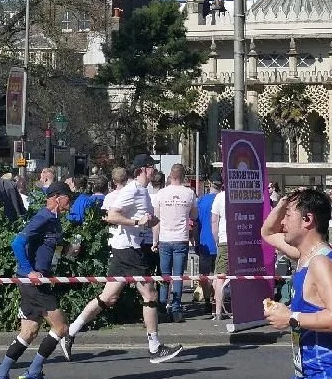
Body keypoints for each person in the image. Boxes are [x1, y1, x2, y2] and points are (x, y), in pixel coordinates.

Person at [62, 155, 183, 363]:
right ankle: (154, 347)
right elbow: (111, 215)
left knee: (108, 297)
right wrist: (137, 221)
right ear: (142, 170)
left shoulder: (143, 191)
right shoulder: (131, 190)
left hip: (123, 249)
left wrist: (153, 220)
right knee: (150, 293)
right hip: (128, 250)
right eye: (151, 167)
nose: (154, 170)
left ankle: (70, 332)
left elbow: (146, 219)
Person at [261, 189, 332, 379]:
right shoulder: (303, 255)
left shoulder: (321, 263)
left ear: (307, 220)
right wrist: (283, 204)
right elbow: (267, 232)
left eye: (288, 215)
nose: (283, 222)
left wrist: (290, 317)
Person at [0, 181, 76, 379]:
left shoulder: (55, 221)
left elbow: (49, 248)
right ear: (56, 198)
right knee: (62, 328)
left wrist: (68, 252)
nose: (70, 202)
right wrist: (30, 272)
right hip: (33, 283)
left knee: (29, 331)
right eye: (68, 198)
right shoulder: (43, 218)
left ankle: (0, 376)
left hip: (41, 280)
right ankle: (33, 373)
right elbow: (17, 243)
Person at [154, 163, 196, 322]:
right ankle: (177, 309)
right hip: (181, 238)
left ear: (170, 176)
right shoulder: (189, 193)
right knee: (178, 275)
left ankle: (162, 307)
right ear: (184, 176)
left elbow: (156, 220)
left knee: (165, 275)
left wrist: (154, 240)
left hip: (165, 238)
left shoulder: (161, 194)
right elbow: (194, 214)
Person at [196, 177, 221, 312]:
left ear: (210, 184)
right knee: (220, 276)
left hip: (204, 242)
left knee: (204, 275)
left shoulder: (201, 201)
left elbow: (196, 223)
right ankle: (216, 301)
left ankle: (207, 300)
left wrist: (196, 241)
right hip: (220, 243)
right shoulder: (224, 200)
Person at [210, 173, 231, 321]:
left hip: (225, 240)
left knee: (220, 277)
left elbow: (214, 222)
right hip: (242, 240)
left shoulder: (219, 197)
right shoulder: (241, 196)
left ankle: (218, 311)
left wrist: (217, 240)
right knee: (242, 276)